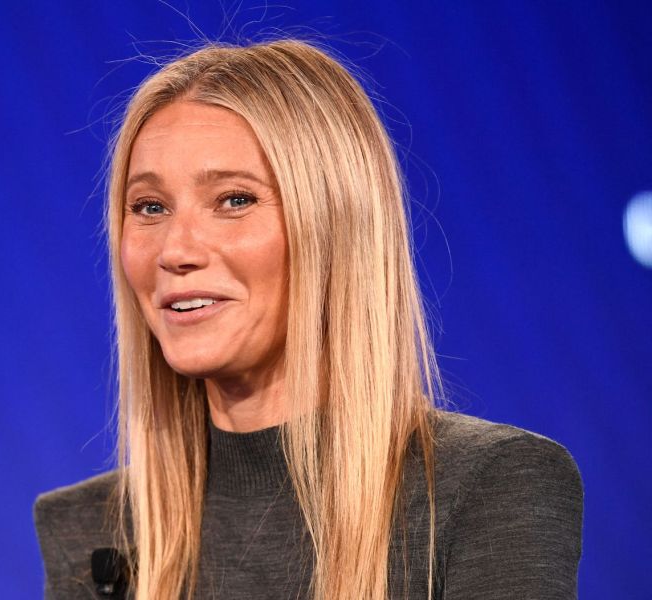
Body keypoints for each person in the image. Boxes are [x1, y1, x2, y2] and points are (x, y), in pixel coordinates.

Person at [33, 39, 583, 599]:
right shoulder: (93, 531)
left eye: (234, 200)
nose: (176, 250)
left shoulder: (486, 489)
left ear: (334, 225)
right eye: (150, 207)